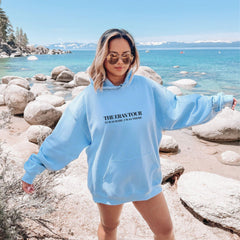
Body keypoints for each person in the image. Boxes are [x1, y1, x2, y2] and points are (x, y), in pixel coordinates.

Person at [22, 28, 237, 240]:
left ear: (133, 57)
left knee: (165, 232)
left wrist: (216, 102)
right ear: (102, 57)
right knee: (109, 228)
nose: (120, 62)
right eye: (113, 56)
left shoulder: (145, 87)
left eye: (126, 56)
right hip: (108, 181)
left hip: (144, 177)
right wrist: (34, 168)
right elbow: (63, 140)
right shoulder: (89, 99)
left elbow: (177, 107)